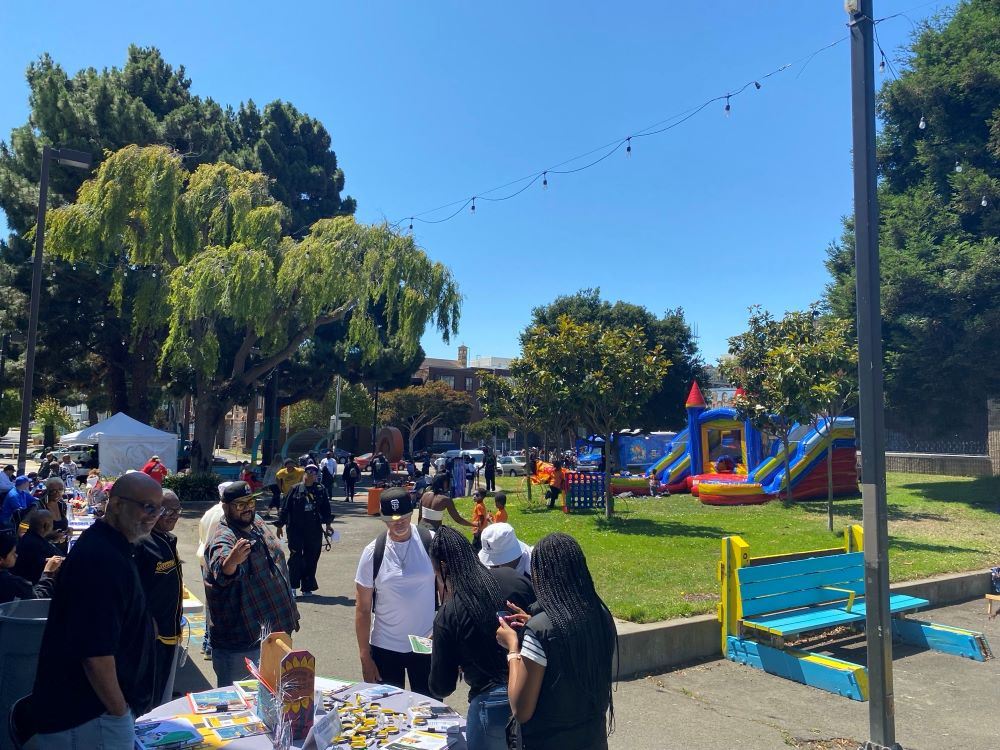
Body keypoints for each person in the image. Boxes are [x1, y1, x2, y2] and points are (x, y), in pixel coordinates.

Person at [24, 472, 163, 750]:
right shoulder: (101, 558)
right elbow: (95, 654)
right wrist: (119, 712)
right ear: (116, 505)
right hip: (87, 718)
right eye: (146, 506)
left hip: (95, 715)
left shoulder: (113, 546)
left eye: (157, 509)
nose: (152, 516)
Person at [495, 533, 616, 750]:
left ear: (541, 576)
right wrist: (537, 623)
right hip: (593, 739)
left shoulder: (539, 631)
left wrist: (513, 647)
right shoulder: (600, 614)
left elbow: (521, 710)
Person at [428, 527, 535, 750]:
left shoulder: (449, 613)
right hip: (531, 691)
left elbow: (441, 687)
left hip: (490, 702)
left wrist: (447, 655)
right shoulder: (515, 579)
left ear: (443, 568)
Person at [204, 481, 299, 687]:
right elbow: (222, 570)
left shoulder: (255, 521)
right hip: (243, 647)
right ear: (225, 506)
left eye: (250, 501)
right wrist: (232, 562)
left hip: (275, 635)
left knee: (274, 702)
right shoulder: (224, 538)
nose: (247, 507)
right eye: (240, 504)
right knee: (240, 710)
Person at [354, 488, 435, 696]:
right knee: (388, 717)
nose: (398, 523)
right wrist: (365, 657)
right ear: (382, 518)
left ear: (412, 513)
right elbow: (362, 608)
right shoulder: (373, 552)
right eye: (391, 519)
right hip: (385, 647)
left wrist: (446, 636)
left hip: (427, 644)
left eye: (404, 518)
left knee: (431, 713)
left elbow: (450, 592)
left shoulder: (431, 542)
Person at [135, 489, 184, 704]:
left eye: (177, 510)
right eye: (167, 510)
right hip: (152, 636)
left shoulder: (167, 539)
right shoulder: (141, 543)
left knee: (163, 688)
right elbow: (132, 590)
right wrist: (146, 621)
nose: (173, 515)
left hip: (170, 630)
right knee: (148, 695)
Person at [274, 464, 334, 597]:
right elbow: (285, 508)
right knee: (295, 557)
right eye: (309, 471)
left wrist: (328, 525)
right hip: (295, 529)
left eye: (314, 472)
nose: (311, 474)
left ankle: (307, 587)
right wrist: (280, 526)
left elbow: (326, 508)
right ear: (304, 473)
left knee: (311, 557)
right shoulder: (295, 489)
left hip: (313, 529)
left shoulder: (320, 489)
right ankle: (293, 586)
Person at [196, 484, 228, 658]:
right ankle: (210, 644)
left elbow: (202, 536)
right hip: (219, 561)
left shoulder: (209, 512)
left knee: (211, 601)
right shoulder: (226, 513)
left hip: (205, 558)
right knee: (219, 603)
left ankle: (207, 642)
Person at [0, 530, 60, 604]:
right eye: (13, 553)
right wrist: (48, 572)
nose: (16, 555)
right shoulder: (12, 583)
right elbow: (38, 599)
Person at [12, 509, 63, 584]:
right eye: (52, 524)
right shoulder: (41, 547)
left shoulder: (27, 539)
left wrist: (50, 537)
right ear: (46, 526)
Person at [37, 477, 70, 553]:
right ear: (47, 490)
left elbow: (60, 525)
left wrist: (67, 530)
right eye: (53, 491)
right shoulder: (38, 506)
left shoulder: (62, 505)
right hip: (43, 551)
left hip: (60, 550)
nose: (57, 493)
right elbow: (22, 531)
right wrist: (48, 535)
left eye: (60, 490)